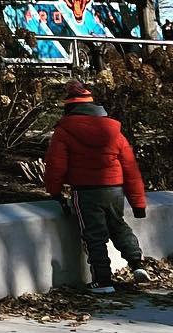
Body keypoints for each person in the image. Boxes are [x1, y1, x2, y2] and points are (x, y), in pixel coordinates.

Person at [43, 79, 149, 292]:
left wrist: (54, 192)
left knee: (94, 235)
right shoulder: (115, 131)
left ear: (69, 108)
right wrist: (138, 203)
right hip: (115, 189)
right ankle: (137, 263)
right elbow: (130, 168)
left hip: (85, 191)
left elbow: (55, 165)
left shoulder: (64, 131)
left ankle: (103, 280)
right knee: (118, 225)